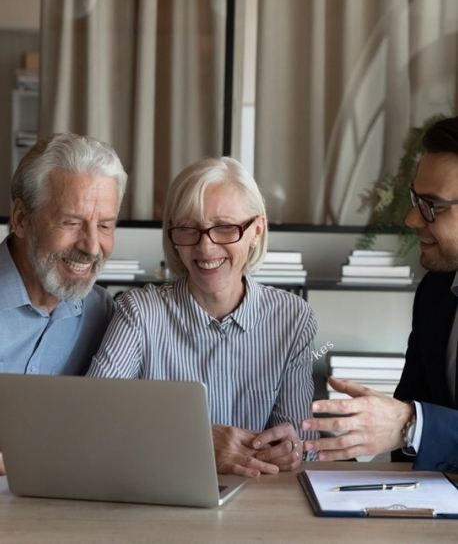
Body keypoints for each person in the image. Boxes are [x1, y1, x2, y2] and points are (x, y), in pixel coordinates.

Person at [87, 156, 319, 477]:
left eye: (224, 228)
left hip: (255, 497)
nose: (206, 248)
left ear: (257, 230)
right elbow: (92, 419)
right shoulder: (139, 312)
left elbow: (301, 439)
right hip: (159, 491)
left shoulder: (292, 318)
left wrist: (292, 450)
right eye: (188, 229)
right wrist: (195, 440)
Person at [297, 116, 458, 473]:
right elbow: (406, 434)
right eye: (417, 198)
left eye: (432, 206)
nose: (412, 219)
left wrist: (412, 423)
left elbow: (410, 423)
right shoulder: (435, 292)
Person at [0, 132, 127, 475]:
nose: (91, 247)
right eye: (71, 223)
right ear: (22, 219)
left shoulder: (105, 314)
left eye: (105, 226)